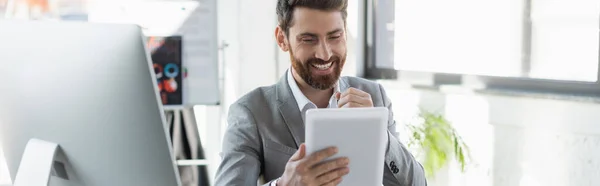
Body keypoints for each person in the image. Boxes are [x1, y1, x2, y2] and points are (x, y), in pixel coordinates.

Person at [214, 0, 427, 185]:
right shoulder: (251, 112)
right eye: (309, 39)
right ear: (282, 39)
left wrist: (380, 134)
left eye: (334, 36)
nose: (324, 54)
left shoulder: (373, 95)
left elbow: (417, 183)